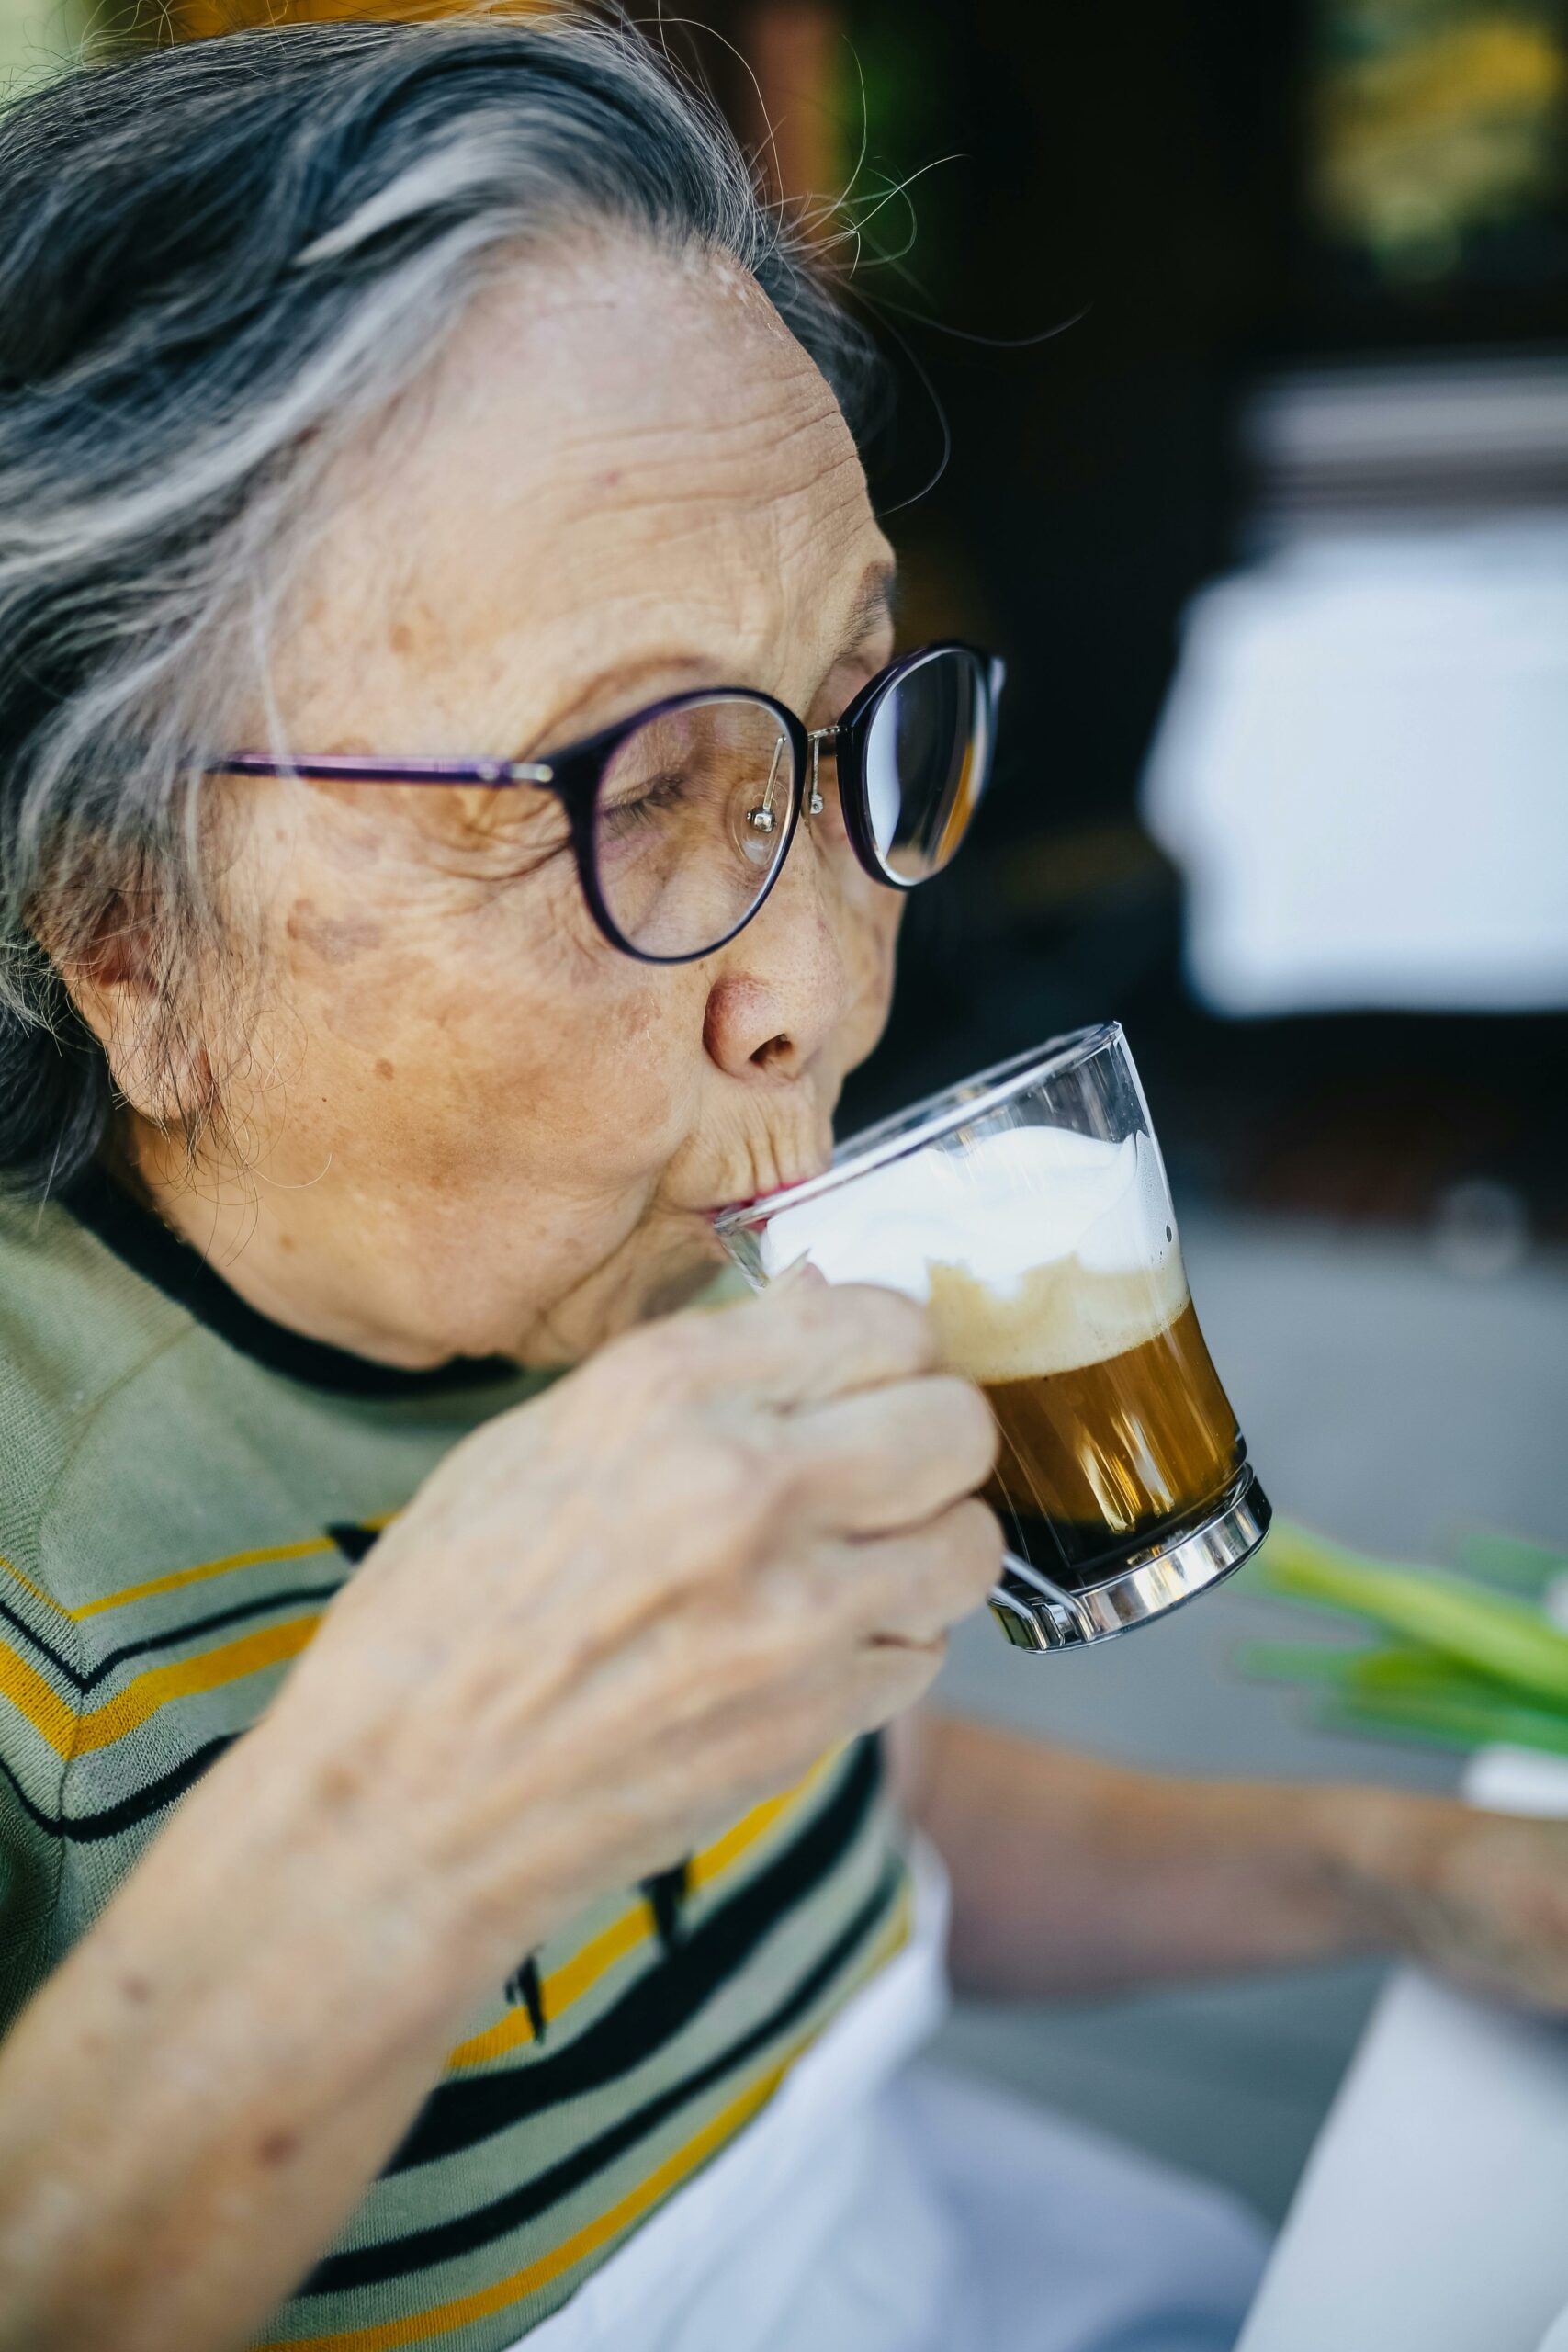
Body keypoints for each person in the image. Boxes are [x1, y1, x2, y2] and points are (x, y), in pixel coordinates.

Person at [3, 20, 1567, 2352]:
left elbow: (843, 1815)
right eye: (630, 792)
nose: (821, 988)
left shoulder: (649, 1273)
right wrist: (410, 1811)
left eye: (839, 737)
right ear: (127, 933)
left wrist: (1419, 1866)